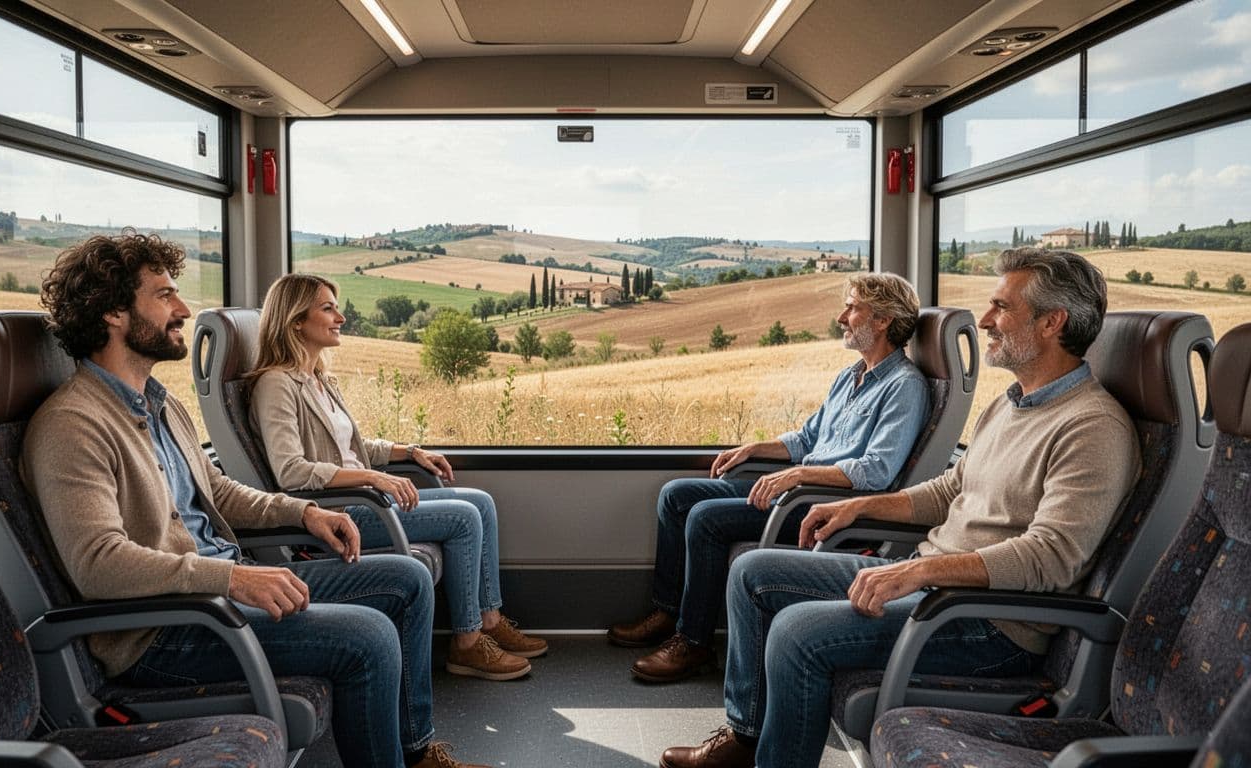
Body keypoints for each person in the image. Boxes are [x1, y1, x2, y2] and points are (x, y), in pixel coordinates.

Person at [660, 248, 1141, 768]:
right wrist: (858, 508)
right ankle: (747, 737)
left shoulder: (1092, 428)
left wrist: (920, 571)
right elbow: (950, 489)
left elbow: (1052, 557)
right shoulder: (1011, 402)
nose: (984, 320)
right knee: (752, 573)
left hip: (987, 621)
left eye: (1001, 307)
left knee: (797, 634)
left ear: (1052, 322)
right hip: (932, 582)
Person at [21, 231, 485, 768]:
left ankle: (415, 751)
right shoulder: (72, 425)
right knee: (370, 636)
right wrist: (234, 579)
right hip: (167, 629)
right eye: (164, 295)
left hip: (223, 585)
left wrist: (305, 513)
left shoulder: (159, 402)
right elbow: (98, 565)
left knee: (406, 580)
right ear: (112, 314)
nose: (183, 308)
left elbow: (215, 492)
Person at [608, 273, 930, 683]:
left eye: (852, 307)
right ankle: (668, 612)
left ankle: (694, 643)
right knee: (676, 495)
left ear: (882, 320)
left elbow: (877, 471)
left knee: (705, 519)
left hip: (822, 505)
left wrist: (797, 474)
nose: (841, 316)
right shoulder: (850, 378)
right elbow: (809, 438)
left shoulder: (905, 387)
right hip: (799, 487)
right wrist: (755, 449)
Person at [248, 273, 546, 682]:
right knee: (463, 518)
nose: (341, 317)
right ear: (296, 320)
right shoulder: (276, 384)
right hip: (343, 511)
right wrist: (371, 478)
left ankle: (490, 620)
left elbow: (351, 446)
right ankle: (467, 644)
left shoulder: (319, 380)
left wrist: (409, 452)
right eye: (328, 308)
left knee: (481, 502)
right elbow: (290, 470)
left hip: (363, 494)